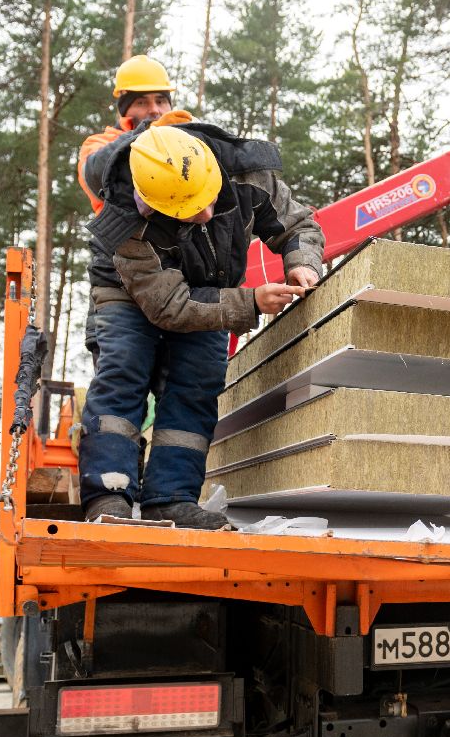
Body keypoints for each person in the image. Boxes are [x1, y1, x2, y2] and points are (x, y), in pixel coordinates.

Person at [78, 118, 323, 529]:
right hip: (125, 292)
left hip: (212, 286)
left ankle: (170, 499)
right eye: (190, 210)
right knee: (123, 373)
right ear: (149, 200)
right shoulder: (123, 219)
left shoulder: (247, 172)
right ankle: (109, 496)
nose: (208, 214)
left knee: (197, 383)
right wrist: (251, 301)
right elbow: (170, 306)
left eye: (209, 199)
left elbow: (297, 224)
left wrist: (302, 264)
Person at [79, 54, 180, 214]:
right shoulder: (98, 143)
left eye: (160, 101)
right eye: (142, 102)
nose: (154, 109)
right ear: (125, 109)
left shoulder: (184, 141)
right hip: (123, 236)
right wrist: (145, 133)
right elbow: (95, 176)